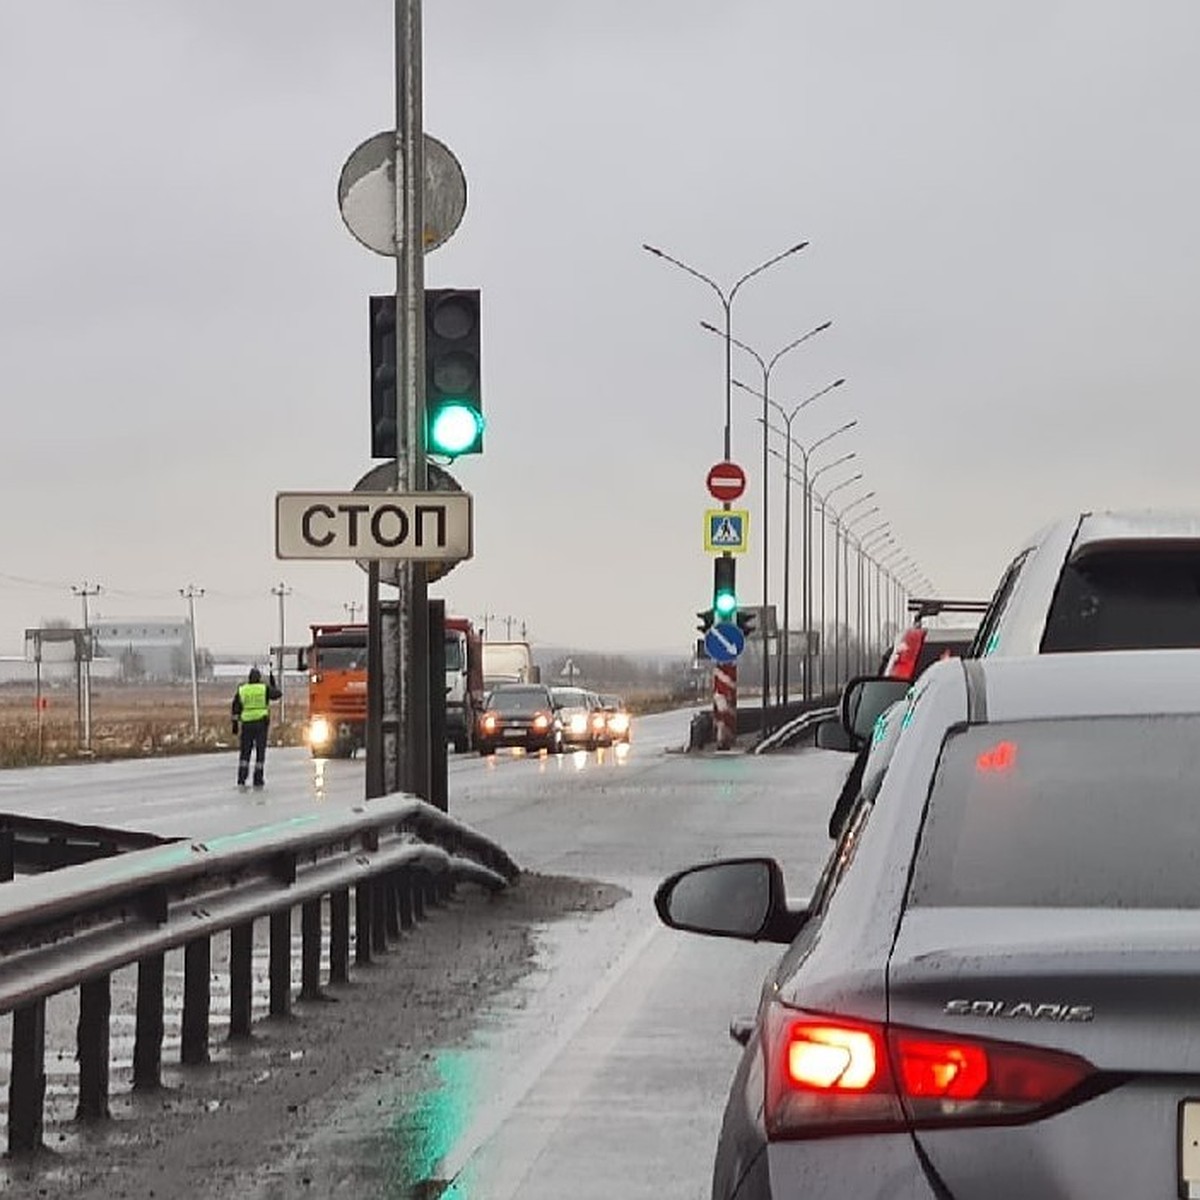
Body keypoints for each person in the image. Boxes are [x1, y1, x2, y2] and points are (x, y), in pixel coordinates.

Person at [231, 666, 282, 788]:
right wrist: (273, 683)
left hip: (247, 724)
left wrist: (235, 725)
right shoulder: (264, 689)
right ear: (259, 678)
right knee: (260, 752)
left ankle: (242, 778)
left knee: (245, 753)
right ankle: (258, 778)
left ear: (249, 678)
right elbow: (278, 694)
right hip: (260, 724)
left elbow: (235, 708)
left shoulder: (242, 690)